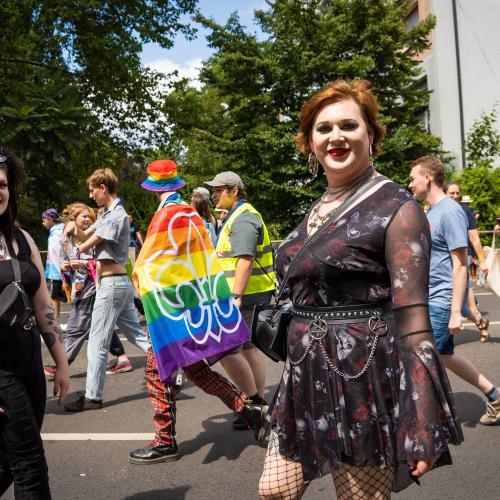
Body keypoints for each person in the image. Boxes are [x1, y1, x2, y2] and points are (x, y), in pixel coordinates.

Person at [258, 81, 463, 500]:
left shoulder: (397, 207)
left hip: (361, 377)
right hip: (304, 373)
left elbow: (414, 322)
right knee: (274, 491)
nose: (335, 136)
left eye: (348, 125)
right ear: (310, 142)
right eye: (323, 128)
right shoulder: (323, 203)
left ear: (371, 134)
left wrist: (423, 419)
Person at [129, 159, 267, 463]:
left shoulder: (165, 215)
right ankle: (249, 410)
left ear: (152, 188)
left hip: (169, 307)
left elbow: (149, 263)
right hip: (192, 302)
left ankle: (165, 441)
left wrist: (142, 287)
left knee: (157, 370)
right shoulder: (189, 212)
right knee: (194, 368)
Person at [409, 156, 500, 426]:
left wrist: (455, 312)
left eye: (413, 178)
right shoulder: (431, 211)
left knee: (425, 356)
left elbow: (460, 265)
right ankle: (495, 397)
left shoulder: (450, 212)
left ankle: (424, 420)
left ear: (428, 177)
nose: (410, 183)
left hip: (442, 298)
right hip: (430, 297)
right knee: (444, 354)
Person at [0, 149, 69, 498]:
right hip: (1, 375)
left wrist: (62, 363)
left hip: (30, 369)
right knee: (30, 465)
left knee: (6, 464)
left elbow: (43, 306)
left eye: (2, 185)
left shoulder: (22, 240)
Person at [62, 168, 149, 411]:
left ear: (103, 188)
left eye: (93, 190)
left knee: (97, 343)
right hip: (117, 284)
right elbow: (85, 236)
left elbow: (85, 245)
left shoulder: (115, 215)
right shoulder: (108, 214)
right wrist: (73, 228)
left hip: (112, 285)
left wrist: (74, 233)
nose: (91, 195)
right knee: (138, 336)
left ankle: (93, 397)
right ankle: (173, 371)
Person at [204, 172, 276, 430]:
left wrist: (236, 297)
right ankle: (257, 403)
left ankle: (254, 405)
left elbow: (245, 259)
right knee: (247, 349)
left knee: (225, 349)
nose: (213, 195)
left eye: (218, 190)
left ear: (234, 190)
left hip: (244, 295)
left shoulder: (243, 217)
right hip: (249, 293)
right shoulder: (238, 215)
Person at [43, 203, 132, 378]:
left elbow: (104, 262)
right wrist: (66, 266)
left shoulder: (95, 237)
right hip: (81, 288)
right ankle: (123, 359)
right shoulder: (68, 238)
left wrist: (83, 264)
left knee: (76, 327)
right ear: (74, 219)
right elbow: (63, 260)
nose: (88, 220)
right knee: (100, 326)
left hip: (93, 288)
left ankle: (62, 365)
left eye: (89, 217)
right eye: (83, 216)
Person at [444, 183, 490, 341]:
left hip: (462, 259)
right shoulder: (437, 209)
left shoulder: (465, 211)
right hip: (443, 261)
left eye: (457, 193)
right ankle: (480, 322)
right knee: (460, 307)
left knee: (459, 300)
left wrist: (482, 261)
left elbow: (474, 238)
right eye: (452, 193)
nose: (455, 196)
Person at [41, 208, 65, 321]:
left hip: (58, 272)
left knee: (54, 297)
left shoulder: (56, 234)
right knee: (56, 297)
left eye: (44, 220)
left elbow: (57, 255)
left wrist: (53, 274)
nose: (43, 223)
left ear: (50, 219)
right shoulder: (59, 231)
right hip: (60, 270)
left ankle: (55, 322)